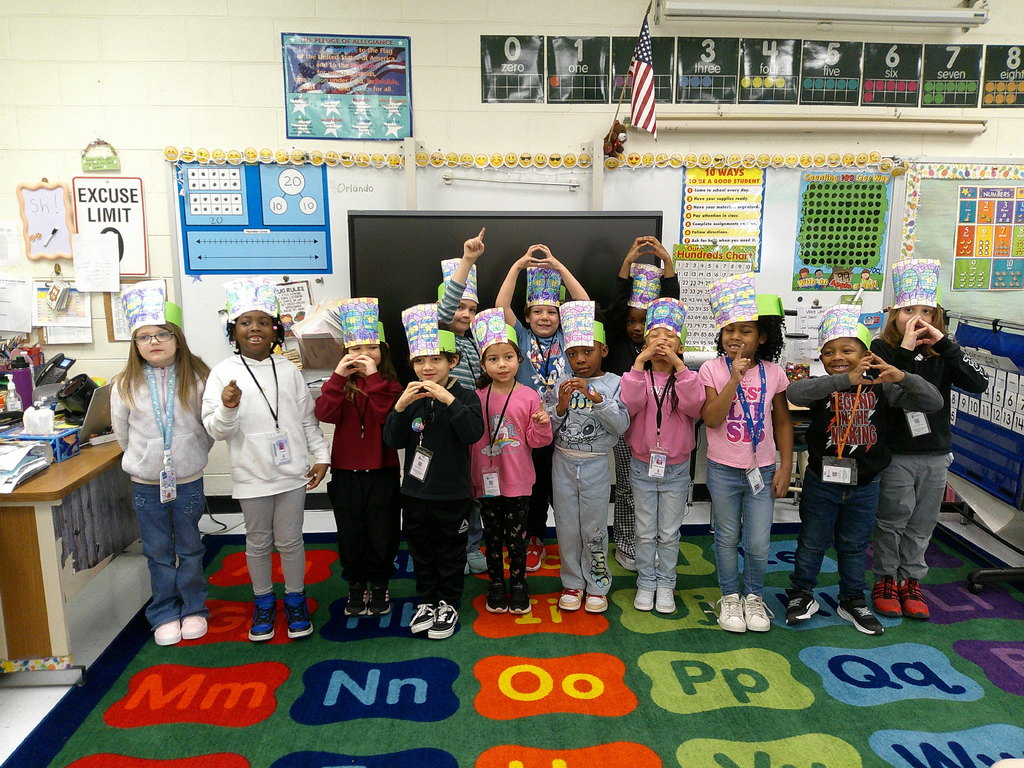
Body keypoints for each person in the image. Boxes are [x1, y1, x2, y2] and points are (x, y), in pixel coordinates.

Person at [785, 305, 943, 635]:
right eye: (829, 352)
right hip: (821, 480)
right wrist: (843, 380)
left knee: (854, 545)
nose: (837, 356)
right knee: (812, 541)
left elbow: (933, 402)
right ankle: (801, 594)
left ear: (866, 354)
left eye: (847, 350)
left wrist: (902, 376)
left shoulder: (882, 387)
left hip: (866, 483)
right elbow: (795, 392)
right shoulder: (825, 384)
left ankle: (852, 599)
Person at [202, 278, 329, 643]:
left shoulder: (288, 369)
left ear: (275, 329)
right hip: (251, 475)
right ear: (233, 331)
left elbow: (306, 419)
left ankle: (295, 599)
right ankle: (262, 602)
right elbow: (216, 431)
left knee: (290, 541)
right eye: (245, 322)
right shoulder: (223, 373)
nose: (254, 328)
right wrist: (228, 407)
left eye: (262, 321)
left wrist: (321, 456)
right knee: (257, 542)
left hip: (291, 474)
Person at [869, 258, 988, 620]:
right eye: (908, 310)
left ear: (936, 315)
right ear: (894, 314)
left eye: (925, 310)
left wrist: (946, 345)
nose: (916, 318)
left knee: (922, 521)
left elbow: (977, 384)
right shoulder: (883, 347)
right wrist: (905, 349)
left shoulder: (943, 352)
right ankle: (886, 577)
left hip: (935, 450)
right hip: (897, 450)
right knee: (892, 517)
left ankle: (911, 579)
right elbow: (889, 386)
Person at [111, 281, 213, 646]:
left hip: (187, 478)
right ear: (135, 345)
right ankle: (165, 611)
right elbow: (122, 435)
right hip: (145, 482)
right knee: (157, 550)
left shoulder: (199, 378)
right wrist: (146, 458)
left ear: (177, 338)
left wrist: (188, 454)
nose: (154, 342)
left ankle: (194, 608)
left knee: (189, 546)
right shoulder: (124, 384)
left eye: (162, 334)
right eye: (144, 337)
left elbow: (208, 427)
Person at [383, 303, 484, 640]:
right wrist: (399, 407)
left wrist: (449, 400)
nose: (427, 367)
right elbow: (392, 440)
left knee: (450, 554)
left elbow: (472, 433)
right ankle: (427, 602)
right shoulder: (409, 396)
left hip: (453, 494)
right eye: (420, 361)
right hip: (414, 493)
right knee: (421, 552)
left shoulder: (466, 395)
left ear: (452, 361)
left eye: (435, 360)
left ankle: (449, 603)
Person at [699, 274, 793, 634]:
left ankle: (753, 596)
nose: (735, 337)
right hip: (723, 469)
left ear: (762, 336)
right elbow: (711, 418)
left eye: (745, 330)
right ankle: (730, 597)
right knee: (725, 535)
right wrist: (734, 379)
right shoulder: (711, 369)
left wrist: (784, 467)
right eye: (729, 330)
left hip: (763, 469)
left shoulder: (774, 372)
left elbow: (783, 422)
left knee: (757, 539)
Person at [496, 246, 589, 573]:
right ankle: (533, 537)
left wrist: (559, 266)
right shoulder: (519, 338)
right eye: (538, 312)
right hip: (529, 429)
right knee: (533, 489)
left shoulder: (568, 337)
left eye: (551, 311)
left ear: (561, 316)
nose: (545, 318)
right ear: (527, 316)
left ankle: (571, 541)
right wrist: (519, 265)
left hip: (567, 428)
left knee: (564, 489)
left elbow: (583, 305)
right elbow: (500, 306)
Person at [314, 298, 403, 617]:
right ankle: (356, 585)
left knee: (384, 534)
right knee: (351, 535)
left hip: (383, 474)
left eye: (371, 347)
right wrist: (338, 377)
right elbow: (324, 413)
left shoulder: (391, 387)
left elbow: (387, 417)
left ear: (384, 351)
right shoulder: (338, 386)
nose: (363, 354)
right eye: (355, 349)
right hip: (346, 476)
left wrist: (374, 379)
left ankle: (380, 584)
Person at [620, 298, 705, 614]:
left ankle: (666, 584)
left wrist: (682, 368)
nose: (662, 342)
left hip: (677, 468)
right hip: (642, 464)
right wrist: (638, 365)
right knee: (645, 530)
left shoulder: (688, 377)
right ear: (644, 343)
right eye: (655, 336)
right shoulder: (637, 376)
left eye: (670, 337)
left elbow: (695, 406)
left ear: (680, 346)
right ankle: (646, 582)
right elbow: (627, 406)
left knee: (668, 532)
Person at [603, 236, 679, 573]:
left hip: (657, 429)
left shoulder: (662, 348)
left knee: (654, 490)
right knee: (627, 485)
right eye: (632, 322)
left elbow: (669, 307)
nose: (637, 327)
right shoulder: (618, 341)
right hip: (623, 426)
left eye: (643, 322)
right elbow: (618, 306)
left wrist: (668, 265)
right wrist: (626, 266)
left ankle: (654, 541)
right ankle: (625, 540)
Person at [469, 308, 552, 614]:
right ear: (483, 363)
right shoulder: (476, 396)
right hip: (486, 479)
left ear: (520, 359)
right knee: (492, 535)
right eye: (493, 359)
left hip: (518, 479)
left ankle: (518, 583)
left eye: (508, 357)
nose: (502, 364)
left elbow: (537, 441)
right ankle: (495, 583)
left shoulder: (530, 396)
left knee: (516, 536)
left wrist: (543, 423)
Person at [551, 302, 629, 614]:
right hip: (563, 463)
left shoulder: (615, 383)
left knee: (594, 527)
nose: (580, 360)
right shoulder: (562, 382)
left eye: (587, 351)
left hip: (596, 463)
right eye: (572, 353)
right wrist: (559, 405)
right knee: (566, 526)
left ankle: (597, 582)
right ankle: (572, 581)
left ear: (604, 350)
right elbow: (551, 427)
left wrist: (596, 398)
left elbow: (621, 426)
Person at [437, 228, 488, 576]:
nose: (466, 314)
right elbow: (445, 309)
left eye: (472, 309)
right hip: (445, 430)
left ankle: (473, 543)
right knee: (452, 493)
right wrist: (468, 261)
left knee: (476, 492)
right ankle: (454, 548)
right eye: (460, 307)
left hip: (475, 429)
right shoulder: (439, 340)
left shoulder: (474, 343)